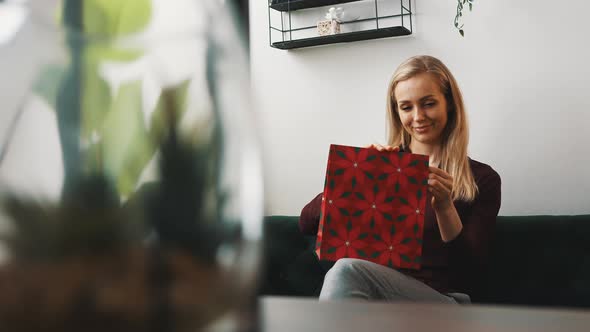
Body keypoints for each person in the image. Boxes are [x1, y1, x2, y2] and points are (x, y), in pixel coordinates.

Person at [299, 55, 501, 304]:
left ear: (448, 103)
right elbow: (306, 223)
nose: (418, 116)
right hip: (378, 300)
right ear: (397, 112)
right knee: (346, 272)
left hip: (445, 301)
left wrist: (445, 207)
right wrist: (353, 181)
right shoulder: (387, 169)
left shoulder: (482, 179)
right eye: (406, 107)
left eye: (428, 103)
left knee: (345, 270)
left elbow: (471, 270)